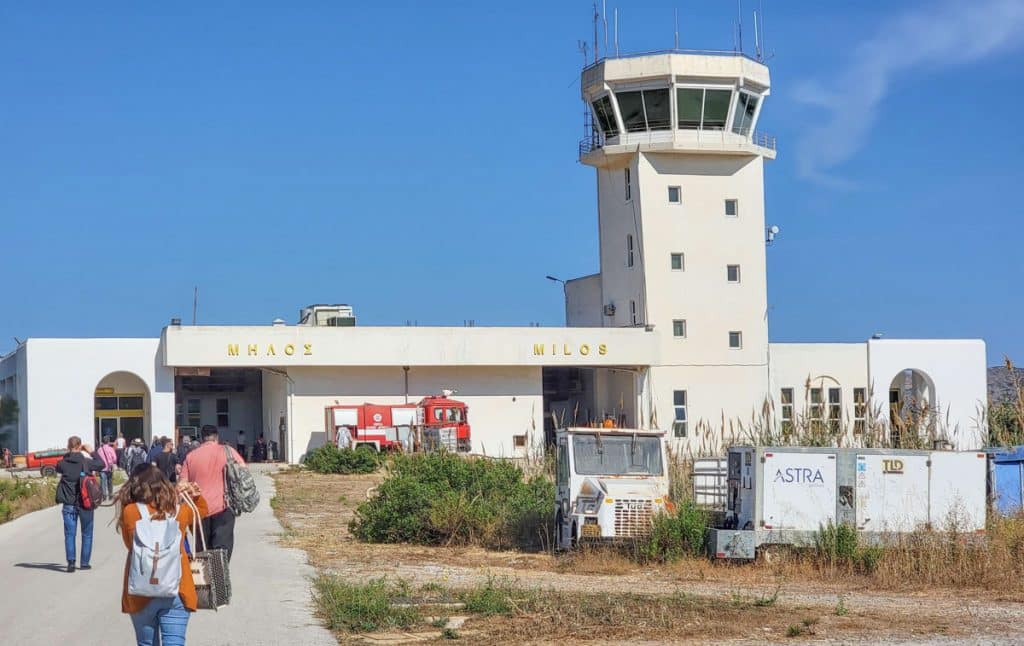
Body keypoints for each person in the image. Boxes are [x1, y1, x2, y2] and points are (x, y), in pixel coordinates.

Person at [117, 465, 208, 646]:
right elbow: (202, 511)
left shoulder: (130, 512)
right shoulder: (179, 511)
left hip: (140, 590)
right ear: (164, 484)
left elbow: (130, 545)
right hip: (177, 588)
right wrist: (194, 494)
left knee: (146, 643)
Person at [181, 424, 245, 560]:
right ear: (217, 437)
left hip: (198, 511)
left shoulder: (190, 457)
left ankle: (206, 578)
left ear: (201, 438)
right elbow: (243, 470)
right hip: (223, 506)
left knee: (203, 549)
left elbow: (182, 484)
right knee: (222, 550)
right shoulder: (228, 451)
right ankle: (220, 578)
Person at [55, 436, 105, 572]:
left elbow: (59, 465)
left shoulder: (63, 464)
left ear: (68, 446)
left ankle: (71, 563)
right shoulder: (86, 462)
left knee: (70, 534)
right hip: (85, 503)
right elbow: (102, 464)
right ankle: (84, 563)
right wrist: (91, 451)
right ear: (80, 446)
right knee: (87, 533)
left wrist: (70, 452)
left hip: (69, 504)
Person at [97, 436, 118, 501]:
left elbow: (97, 458)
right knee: (110, 481)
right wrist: (112, 463)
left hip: (102, 467)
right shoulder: (111, 449)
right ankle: (110, 495)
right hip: (109, 467)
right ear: (108, 442)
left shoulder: (99, 449)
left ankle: (104, 496)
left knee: (103, 482)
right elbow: (114, 458)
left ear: (102, 441)